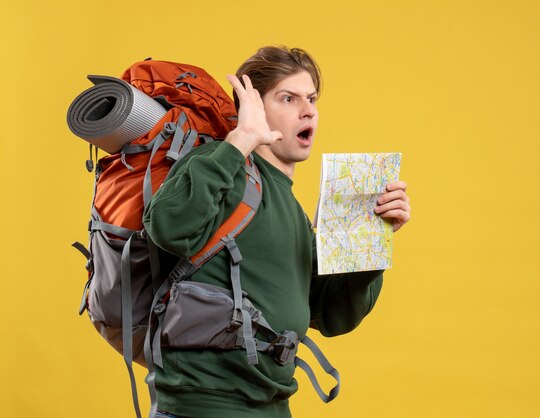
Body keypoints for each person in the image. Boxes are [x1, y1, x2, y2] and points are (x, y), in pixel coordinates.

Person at [143, 46, 411, 418]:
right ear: (253, 107)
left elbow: (333, 315)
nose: (308, 110)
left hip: (269, 408)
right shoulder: (219, 166)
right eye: (289, 98)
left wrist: (370, 238)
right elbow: (168, 226)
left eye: (312, 98)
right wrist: (241, 138)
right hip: (205, 408)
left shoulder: (295, 212)